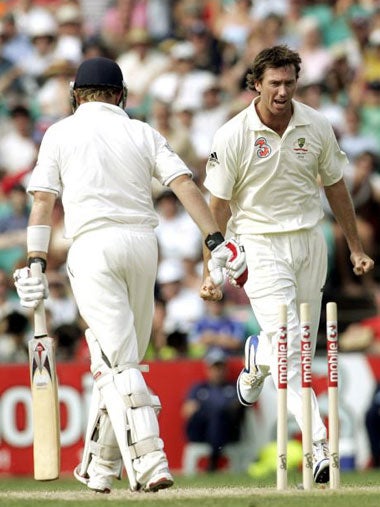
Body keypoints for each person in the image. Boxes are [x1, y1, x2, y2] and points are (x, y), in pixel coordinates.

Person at [12, 56, 247, 494]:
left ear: (75, 96)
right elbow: (185, 185)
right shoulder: (142, 131)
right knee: (116, 359)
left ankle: (151, 463)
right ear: (121, 94)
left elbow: (43, 200)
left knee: (120, 363)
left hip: (92, 247)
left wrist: (37, 260)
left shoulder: (60, 133)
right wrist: (216, 240)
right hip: (143, 246)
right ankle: (99, 469)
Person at [200, 45, 375, 485]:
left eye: (289, 83)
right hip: (258, 245)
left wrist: (354, 247)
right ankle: (319, 446)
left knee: (295, 350)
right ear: (255, 84)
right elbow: (217, 208)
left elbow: (336, 187)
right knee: (292, 354)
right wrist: (211, 269)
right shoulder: (234, 134)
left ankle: (257, 359)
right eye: (274, 83)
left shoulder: (315, 124)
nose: (282, 92)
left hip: (308, 243)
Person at [181, 347, 246, 472]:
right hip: (201, 431)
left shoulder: (234, 388)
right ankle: (214, 459)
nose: (218, 371)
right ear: (208, 369)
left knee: (219, 415)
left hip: (227, 431)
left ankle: (213, 461)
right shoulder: (198, 388)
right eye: (215, 367)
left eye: (221, 367)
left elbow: (238, 408)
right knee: (214, 414)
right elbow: (186, 411)